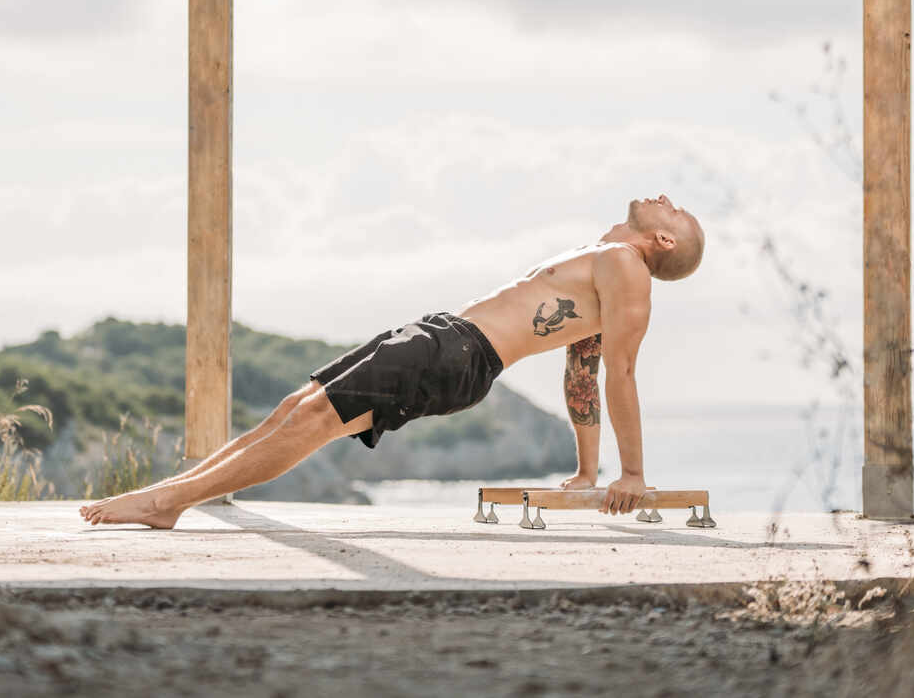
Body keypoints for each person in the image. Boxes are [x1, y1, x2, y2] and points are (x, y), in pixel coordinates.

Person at [79, 194, 705, 528]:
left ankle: (168, 506)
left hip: (459, 355)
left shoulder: (627, 268)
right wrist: (585, 473)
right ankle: (167, 493)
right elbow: (580, 374)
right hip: (445, 335)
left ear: (664, 241)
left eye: (675, 209)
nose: (664, 196)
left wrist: (631, 475)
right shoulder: (605, 259)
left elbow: (616, 371)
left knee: (312, 421)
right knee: (295, 407)